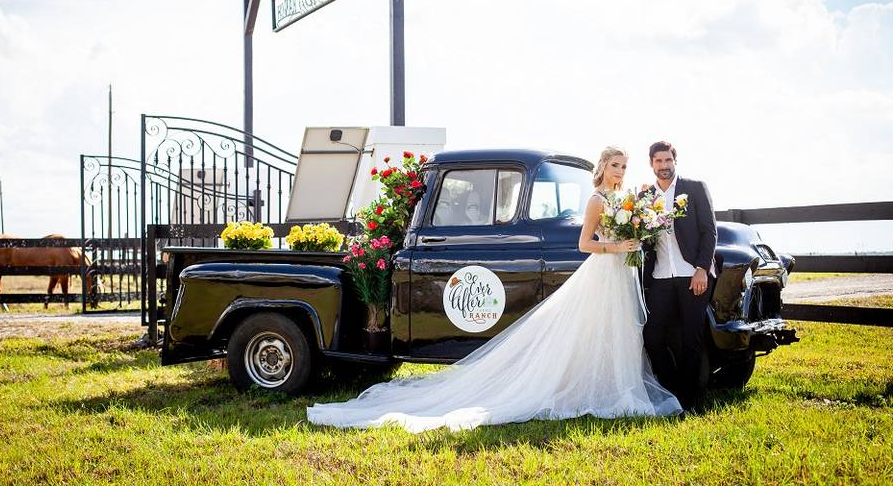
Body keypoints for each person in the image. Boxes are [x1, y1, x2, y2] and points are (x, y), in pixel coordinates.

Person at [306, 146, 682, 432]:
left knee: (614, 330)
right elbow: (586, 241)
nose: (620, 171)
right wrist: (618, 246)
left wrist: (632, 239)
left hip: (618, 271)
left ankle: (616, 386)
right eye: (615, 165)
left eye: (624, 166)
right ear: (604, 168)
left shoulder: (623, 200)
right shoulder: (598, 199)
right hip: (606, 264)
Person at [642, 141, 717, 412]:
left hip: (691, 275)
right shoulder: (645, 198)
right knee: (652, 336)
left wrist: (701, 269)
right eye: (658, 161)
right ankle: (672, 390)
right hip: (660, 277)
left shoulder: (695, 188)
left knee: (691, 338)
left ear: (675, 160)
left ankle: (689, 401)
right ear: (651, 164)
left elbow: (710, 231)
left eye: (668, 160)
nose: (664, 166)